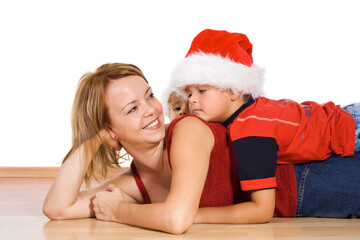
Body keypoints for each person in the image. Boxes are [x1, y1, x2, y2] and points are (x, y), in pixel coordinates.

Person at [167, 29, 360, 219]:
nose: (191, 100)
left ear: (235, 89)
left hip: (352, 127)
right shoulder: (253, 111)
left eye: (201, 90)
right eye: (189, 93)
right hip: (345, 116)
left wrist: (195, 215)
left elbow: (262, 210)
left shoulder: (250, 130)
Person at [43, 63, 252, 235]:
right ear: (109, 131)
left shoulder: (188, 130)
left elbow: (177, 220)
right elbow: (58, 208)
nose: (152, 110)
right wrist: (92, 141)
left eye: (150, 96)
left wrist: (118, 210)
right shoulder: (134, 183)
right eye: (133, 109)